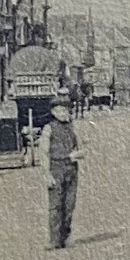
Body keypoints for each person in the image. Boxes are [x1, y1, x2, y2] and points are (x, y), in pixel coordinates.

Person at [39, 96, 84, 250]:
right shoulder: (48, 128)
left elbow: (81, 149)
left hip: (71, 170)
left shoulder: (72, 128)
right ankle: (54, 240)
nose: (64, 113)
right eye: (60, 110)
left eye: (66, 109)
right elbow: (43, 153)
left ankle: (64, 235)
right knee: (55, 206)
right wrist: (47, 174)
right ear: (53, 112)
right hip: (56, 169)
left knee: (69, 205)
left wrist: (77, 154)